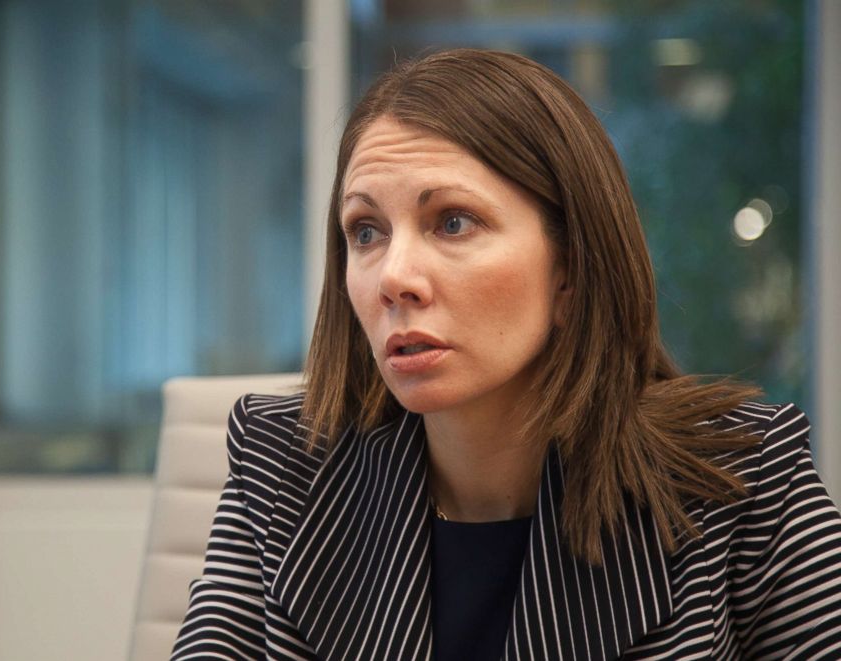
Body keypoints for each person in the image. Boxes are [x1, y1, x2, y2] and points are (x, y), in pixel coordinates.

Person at [171, 49, 841, 660]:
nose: (393, 277)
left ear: (571, 267)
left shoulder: (745, 479)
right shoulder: (284, 468)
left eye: (452, 221)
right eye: (366, 230)